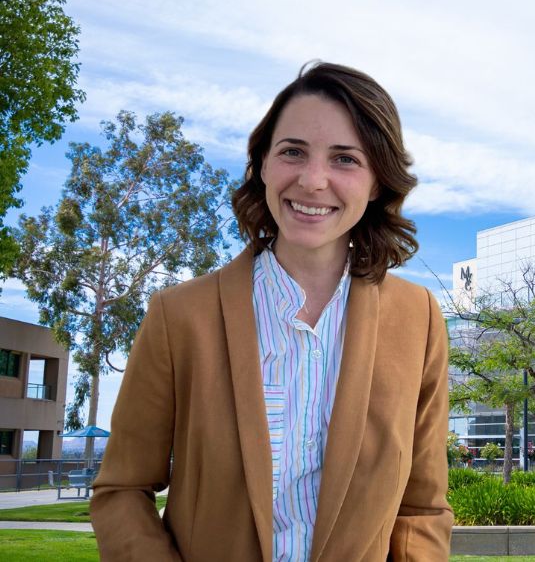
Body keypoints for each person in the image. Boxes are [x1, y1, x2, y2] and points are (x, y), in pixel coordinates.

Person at [91, 63, 454, 561]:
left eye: (345, 159)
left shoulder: (419, 318)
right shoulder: (179, 316)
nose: (313, 180)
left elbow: (422, 508)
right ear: (263, 164)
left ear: (376, 183)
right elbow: (121, 491)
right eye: (293, 152)